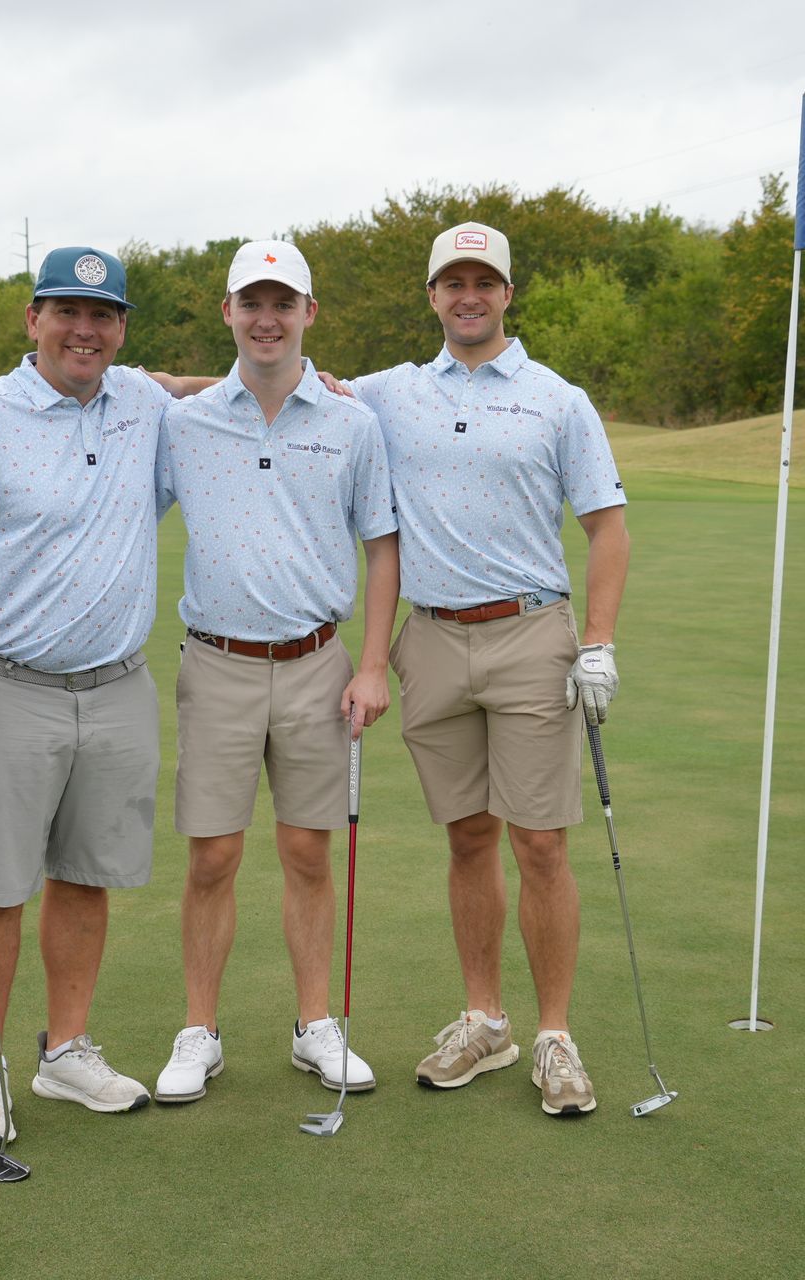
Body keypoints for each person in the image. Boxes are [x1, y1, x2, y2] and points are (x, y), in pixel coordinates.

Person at [0, 245, 202, 1149]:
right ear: (33, 319)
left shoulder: (141, 402)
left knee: (86, 880)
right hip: (3, 688)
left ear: (120, 328)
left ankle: (66, 1048)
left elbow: (190, 386)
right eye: (67, 313)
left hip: (118, 686)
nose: (85, 330)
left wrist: (306, 373)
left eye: (103, 316)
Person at [346, 221, 629, 1116]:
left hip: (530, 635)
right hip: (429, 639)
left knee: (539, 842)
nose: (468, 295)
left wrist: (598, 640)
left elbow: (607, 527)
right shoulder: (390, 392)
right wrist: (154, 387)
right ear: (431, 295)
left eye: (485, 282)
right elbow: (281, 383)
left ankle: (553, 1035)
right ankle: (485, 1019)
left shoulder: (557, 399)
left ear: (508, 294)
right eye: (451, 282)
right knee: (467, 838)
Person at [150, 240, 399, 1104]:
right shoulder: (181, 422)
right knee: (212, 856)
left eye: (282, 303)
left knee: (306, 851)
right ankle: (199, 1030)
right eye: (250, 302)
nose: (267, 318)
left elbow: (382, 544)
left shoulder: (351, 422)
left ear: (308, 315)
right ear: (227, 313)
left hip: (316, 664)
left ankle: (314, 1026)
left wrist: (372, 663)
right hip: (216, 662)